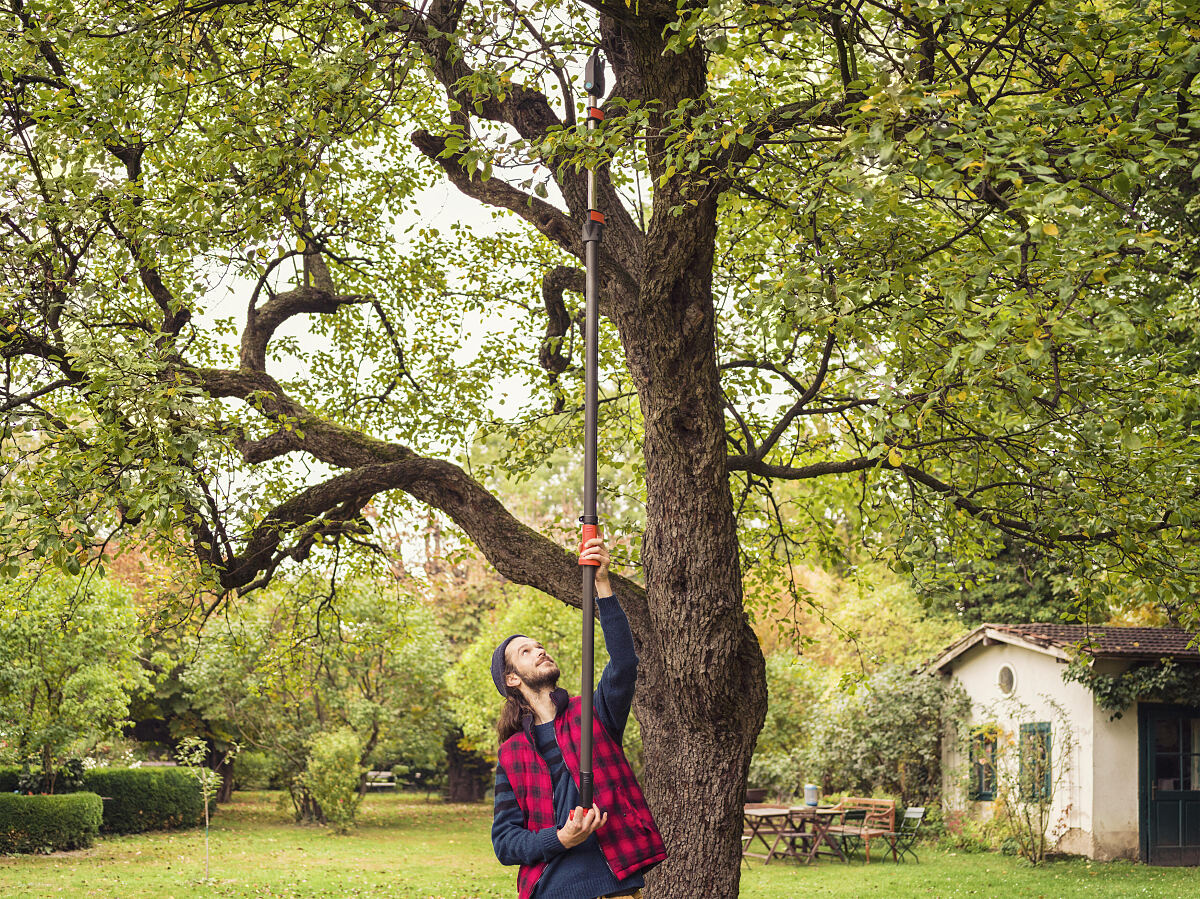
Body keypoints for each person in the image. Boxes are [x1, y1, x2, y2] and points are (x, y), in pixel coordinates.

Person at [490, 536, 666, 899]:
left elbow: (624, 664)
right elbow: (505, 843)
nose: (539, 651)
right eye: (526, 651)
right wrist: (560, 838)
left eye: (540, 646)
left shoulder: (592, 714)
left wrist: (602, 584)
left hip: (613, 885)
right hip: (551, 889)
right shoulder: (512, 753)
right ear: (512, 678)